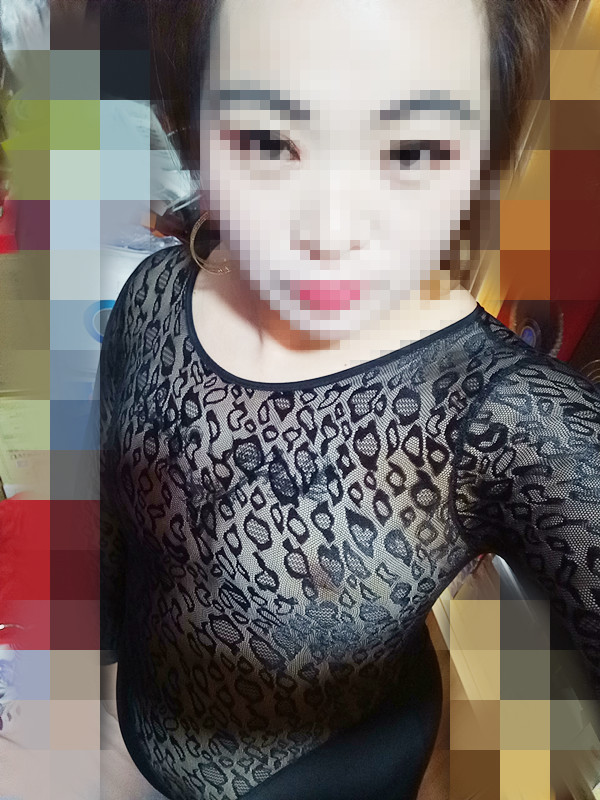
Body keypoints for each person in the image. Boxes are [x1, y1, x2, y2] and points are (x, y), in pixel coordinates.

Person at [98, 1, 600, 799]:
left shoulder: (514, 421)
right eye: (266, 140)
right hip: (134, 730)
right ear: (193, 122)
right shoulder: (154, 292)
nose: (330, 232)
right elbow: (115, 537)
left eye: (414, 150)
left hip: (335, 774)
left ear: (483, 159)